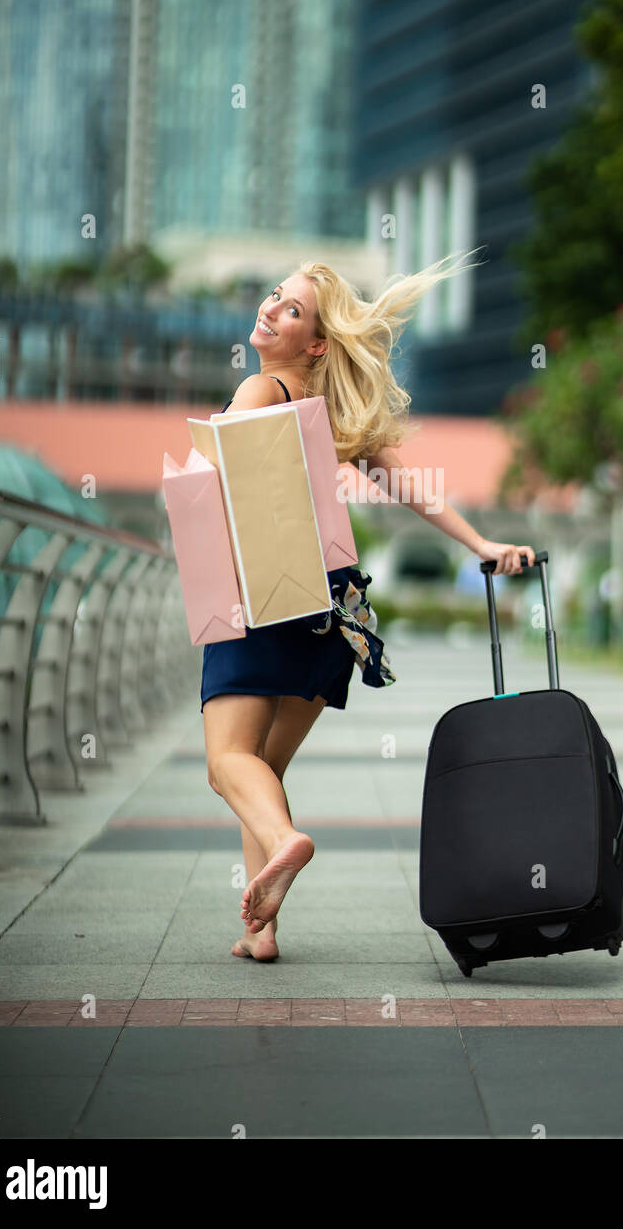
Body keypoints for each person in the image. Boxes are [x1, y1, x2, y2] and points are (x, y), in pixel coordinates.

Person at [201, 252, 536, 961]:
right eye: (273, 296)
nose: (270, 308)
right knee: (264, 767)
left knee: (228, 760)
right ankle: (260, 929)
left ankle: (288, 843)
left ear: (316, 343)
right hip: (334, 611)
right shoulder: (338, 417)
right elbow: (415, 489)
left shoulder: (259, 389)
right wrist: (482, 542)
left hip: (264, 594)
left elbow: (219, 481)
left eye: (291, 309)